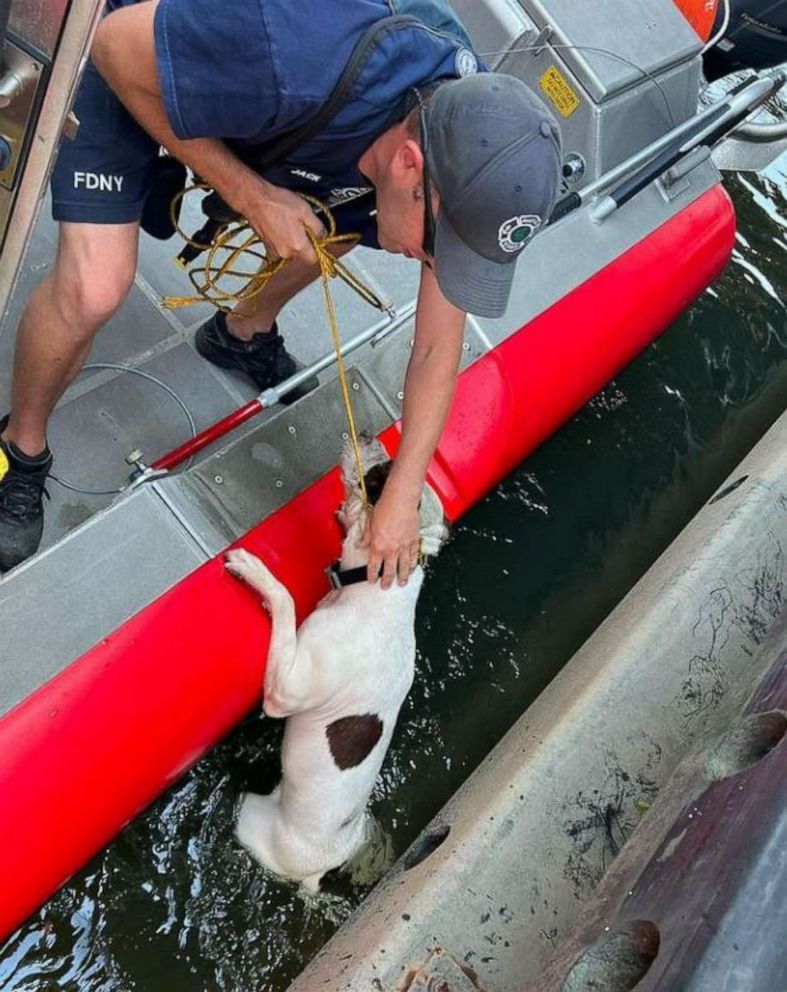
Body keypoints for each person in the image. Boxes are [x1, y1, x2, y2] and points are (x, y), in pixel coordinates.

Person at [0, 0, 562, 583]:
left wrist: (404, 488)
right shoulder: (296, 55)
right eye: (437, 247)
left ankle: (241, 333)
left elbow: (435, 349)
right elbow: (115, 46)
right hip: (132, 45)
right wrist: (252, 196)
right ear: (408, 165)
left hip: (259, 95)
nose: (432, 264)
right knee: (96, 286)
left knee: (338, 221)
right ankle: (20, 447)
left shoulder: (455, 139)